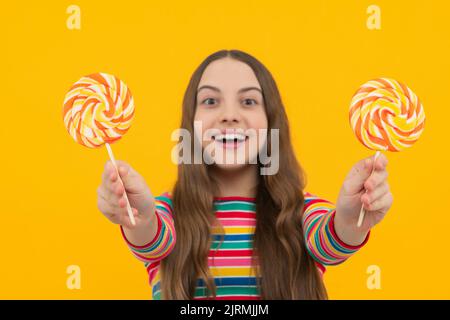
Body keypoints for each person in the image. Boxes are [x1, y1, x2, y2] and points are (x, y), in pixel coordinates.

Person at [96, 50, 393, 300]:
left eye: (249, 101)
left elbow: (333, 240)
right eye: (211, 101)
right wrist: (139, 217)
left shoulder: (301, 213)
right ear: (191, 124)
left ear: (270, 121)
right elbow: (150, 235)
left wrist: (352, 218)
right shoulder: (166, 214)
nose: (229, 114)